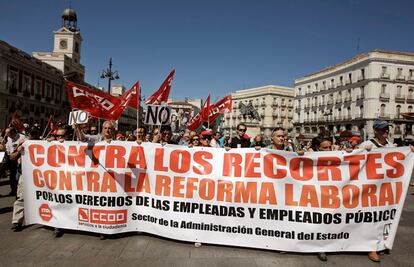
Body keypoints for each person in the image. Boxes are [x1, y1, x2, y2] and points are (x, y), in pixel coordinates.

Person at [359, 119, 393, 262]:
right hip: (369, 188)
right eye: (383, 129)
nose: (386, 131)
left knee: (383, 217)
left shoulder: (392, 146)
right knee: (370, 217)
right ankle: (371, 248)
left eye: (387, 129)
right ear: (375, 130)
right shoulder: (367, 145)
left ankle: (380, 243)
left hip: (385, 188)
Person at [11, 127, 40, 232]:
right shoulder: (22, 143)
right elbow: (12, 157)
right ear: (28, 134)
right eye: (31, 134)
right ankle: (16, 221)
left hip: (41, 175)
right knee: (21, 197)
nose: (33, 136)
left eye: (36, 133)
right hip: (26, 174)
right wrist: (19, 151)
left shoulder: (44, 143)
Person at [5, 127, 26, 196]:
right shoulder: (9, 138)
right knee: (12, 176)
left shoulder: (22, 137)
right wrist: (8, 152)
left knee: (18, 176)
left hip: (20, 159)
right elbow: (8, 146)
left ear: (13, 132)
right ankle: (13, 190)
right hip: (12, 159)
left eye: (8, 133)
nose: (6, 135)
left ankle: (19, 192)